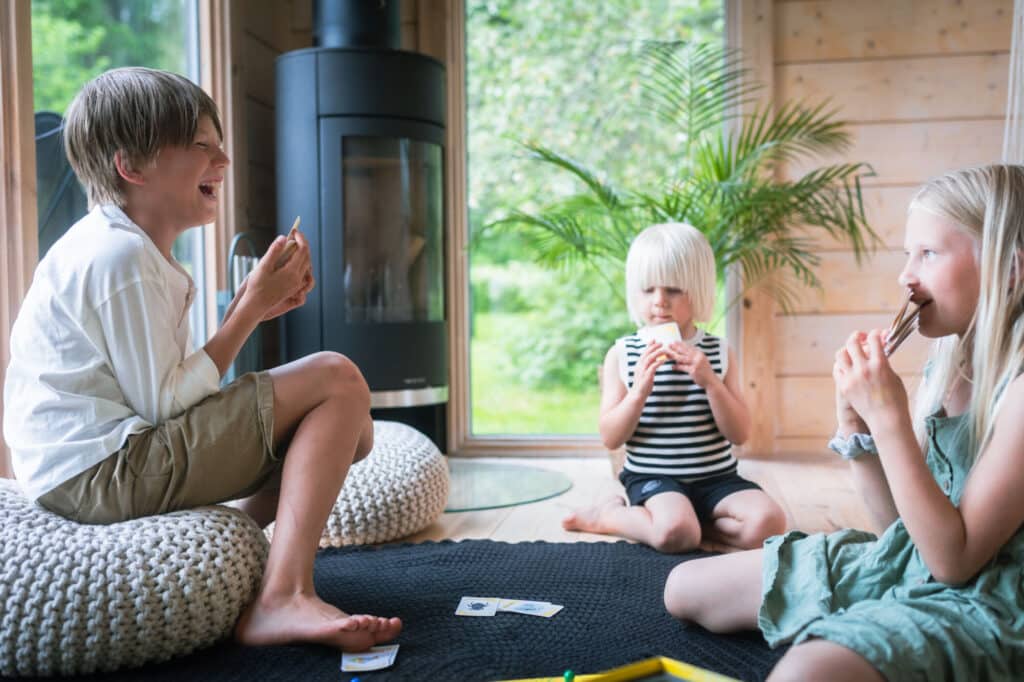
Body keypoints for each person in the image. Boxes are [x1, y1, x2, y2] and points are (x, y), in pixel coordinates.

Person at [2, 67, 401, 652]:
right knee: (336, 378)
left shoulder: (132, 252)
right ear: (132, 167)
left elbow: (172, 395)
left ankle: (242, 546)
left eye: (220, 145)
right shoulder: (118, 258)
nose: (224, 160)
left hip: (101, 465)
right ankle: (282, 596)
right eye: (201, 147)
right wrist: (246, 314)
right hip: (98, 473)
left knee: (352, 429)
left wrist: (252, 309)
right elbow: (164, 407)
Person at [663, 164, 1024, 681]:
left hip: (993, 596)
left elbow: (954, 561)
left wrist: (890, 418)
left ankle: (870, 634)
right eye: (908, 254)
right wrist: (859, 427)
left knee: (804, 673)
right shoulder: (948, 363)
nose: (906, 274)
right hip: (915, 561)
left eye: (929, 253)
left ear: (1008, 270)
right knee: (685, 589)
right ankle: (869, 622)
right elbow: (897, 530)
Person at [562, 222, 786, 552]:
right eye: (648, 289)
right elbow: (611, 437)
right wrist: (638, 391)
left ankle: (694, 525)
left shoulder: (719, 352)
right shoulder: (623, 354)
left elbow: (740, 434)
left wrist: (711, 383)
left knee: (770, 524)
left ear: (698, 290)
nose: (659, 302)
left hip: (717, 478)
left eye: (674, 289)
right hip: (655, 479)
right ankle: (606, 516)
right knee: (674, 535)